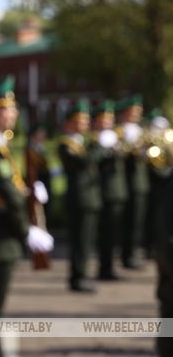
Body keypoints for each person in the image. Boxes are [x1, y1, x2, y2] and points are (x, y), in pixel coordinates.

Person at [0, 76, 52, 357]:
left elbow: (12, 189)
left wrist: (30, 192)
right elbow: (7, 195)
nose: (14, 114)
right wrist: (27, 230)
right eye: (9, 109)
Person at [57, 99, 100, 293]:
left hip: (90, 198)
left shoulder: (83, 142)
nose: (86, 124)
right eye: (81, 121)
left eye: (86, 120)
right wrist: (100, 148)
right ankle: (77, 277)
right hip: (79, 198)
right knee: (79, 241)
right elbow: (84, 163)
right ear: (70, 123)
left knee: (87, 240)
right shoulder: (66, 145)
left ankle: (82, 274)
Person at [88, 100, 126, 281]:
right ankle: (104, 268)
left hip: (118, 191)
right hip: (102, 192)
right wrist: (105, 149)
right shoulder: (93, 140)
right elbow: (91, 163)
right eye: (103, 119)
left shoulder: (116, 137)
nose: (107, 122)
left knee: (114, 233)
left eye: (109, 119)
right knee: (104, 234)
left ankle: (110, 267)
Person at [117, 94, 150, 269]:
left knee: (138, 220)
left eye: (139, 112)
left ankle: (135, 252)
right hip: (127, 182)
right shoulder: (120, 131)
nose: (137, 115)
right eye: (134, 111)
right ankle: (127, 254)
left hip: (141, 182)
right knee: (128, 221)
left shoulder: (141, 130)